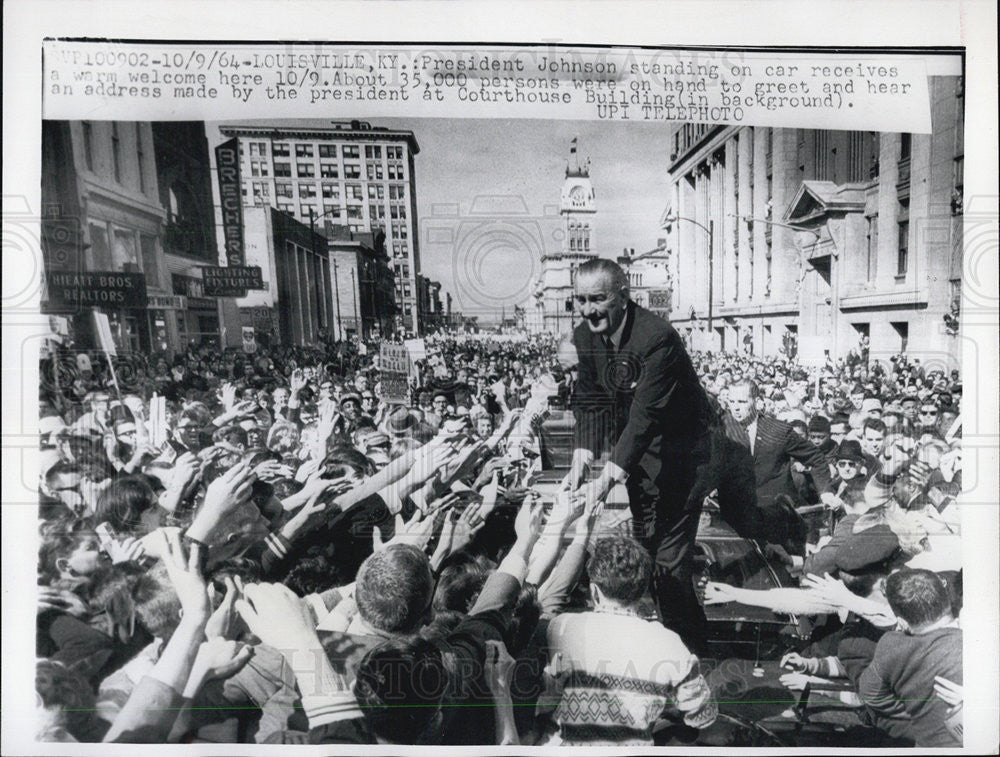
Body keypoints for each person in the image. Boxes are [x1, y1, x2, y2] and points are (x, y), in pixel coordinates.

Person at [566, 258, 715, 647]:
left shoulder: (656, 337)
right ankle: (660, 641)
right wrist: (582, 454)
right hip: (640, 466)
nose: (587, 310)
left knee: (668, 564)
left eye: (597, 299)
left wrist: (603, 480)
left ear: (623, 297)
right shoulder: (585, 336)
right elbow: (590, 400)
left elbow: (644, 416)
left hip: (682, 464)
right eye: (579, 300)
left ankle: (692, 654)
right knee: (645, 554)